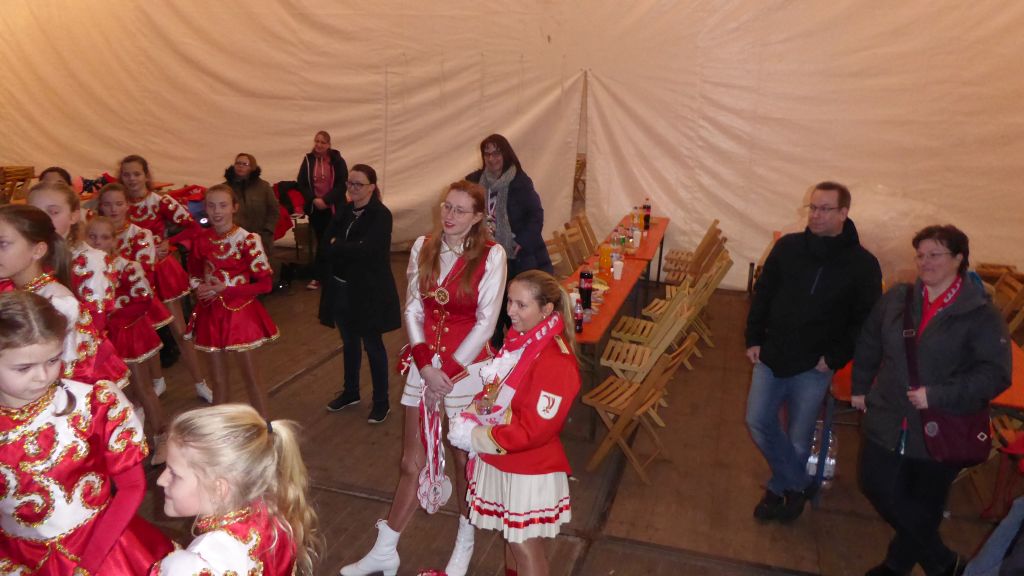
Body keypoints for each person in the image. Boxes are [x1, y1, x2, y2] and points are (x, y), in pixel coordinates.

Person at [340, 181, 506, 576]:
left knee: (464, 461)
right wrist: (425, 365)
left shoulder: (492, 255)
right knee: (410, 461)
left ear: (478, 217)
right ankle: (386, 550)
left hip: (466, 370)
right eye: (447, 206)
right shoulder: (423, 246)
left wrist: (446, 372)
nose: (449, 215)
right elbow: (413, 308)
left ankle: (464, 544)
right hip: (425, 363)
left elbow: (486, 323)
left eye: (460, 210)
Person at [852, 225, 1011, 576]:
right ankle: (943, 562)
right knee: (875, 484)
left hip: (944, 423)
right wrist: (860, 386)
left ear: (958, 259)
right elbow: (869, 339)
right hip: (888, 413)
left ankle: (896, 566)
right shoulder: (899, 298)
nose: (925, 262)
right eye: (921, 255)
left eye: (935, 254)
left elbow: (995, 374)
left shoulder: (980, 314)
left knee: (924, 502)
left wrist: (938, 394)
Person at [0, 291, 173, 574]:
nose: (42, 376)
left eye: (53, 360)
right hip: (17, 558)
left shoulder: (93, 404)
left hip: (101, 549)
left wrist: (88, 564)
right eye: (24, 368)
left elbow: (131, 486)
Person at [744, 181, 882, 522]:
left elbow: (865, 320)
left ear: (844, 213)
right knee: (757, 420)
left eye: (825, 209)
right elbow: (764, 293)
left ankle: (779, 490)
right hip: (772, 355)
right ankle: (798, 484)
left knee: (798, 436)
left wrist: (835, 357)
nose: (816, 215)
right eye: (813, 208)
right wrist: (754, 337)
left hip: (815, 365)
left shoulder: (862, 264)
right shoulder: (788, 247)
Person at [447, 270, 580, 576]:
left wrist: (475, 436)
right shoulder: (520, 344)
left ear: (546, 310)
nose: (510, 311)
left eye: (521, 305)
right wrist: (474, 414)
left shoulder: (555, 360)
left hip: (528, 468)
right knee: (512, 538)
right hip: (506, 459)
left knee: (524, 546)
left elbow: (534, 430)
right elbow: (496, 395)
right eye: (510, 301)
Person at [151, 404, 321, 575]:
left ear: (219, 489)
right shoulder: (270, 515)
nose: (160, 480)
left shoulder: (199, 563)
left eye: (174, 474)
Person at [98, 183, 208, 400]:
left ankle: (200, 382)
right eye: (107, 204)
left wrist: (169, 242)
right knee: (142, 337)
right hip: (124, 296)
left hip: (158, 275)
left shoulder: (149, 218)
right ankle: (156, 382)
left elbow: (191, 226)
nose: (113, 209)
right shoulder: (97, 235)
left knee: (179, 331)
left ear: (127, 204)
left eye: (118, 203)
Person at [0, 204, 129, 387]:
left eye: (2, 244)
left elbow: (71, 374)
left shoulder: (57, 303)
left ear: (38, 250)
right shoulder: (11, 289)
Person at [185, 184, 279, 417]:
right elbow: (193, 274)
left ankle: (264, 427)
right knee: (218, 380)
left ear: (234, 207)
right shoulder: (201, 240)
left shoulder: (247, 240)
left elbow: (265, 284)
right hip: (211, 314)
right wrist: (200, 287)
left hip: (240, 316)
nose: (217, 211)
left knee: (251, 377)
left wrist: (226, 290)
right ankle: (219, 430)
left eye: (223, 205)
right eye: (211, 206)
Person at [27, 181, 131, 390]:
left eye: (53, 212)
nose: (42, 219)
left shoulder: (92, 261)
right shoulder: (27, 258)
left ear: (74, 216)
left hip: (81, 365)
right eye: (35, 212)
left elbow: (95, 323)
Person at [320, 164, 401, 423]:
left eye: (359, 184)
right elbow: (326, 242)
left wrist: (339, 246)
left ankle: (381, 402)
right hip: (342, 288)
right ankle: (351, 391)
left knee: (373, 346)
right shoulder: (344, 211)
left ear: (371, 187)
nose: (353, 188)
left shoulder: (381, 215)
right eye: (350, 183)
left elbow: (368, 251)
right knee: (349, 342)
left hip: (368, 292)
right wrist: (344, 247)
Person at [85, 216, 169, 464]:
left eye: (104, 237)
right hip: (101, 337)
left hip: (128, 332)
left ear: (114, 241)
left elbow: (144, 300)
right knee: (119, 391)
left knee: (143, 387)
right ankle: (130, 438)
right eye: (92, 237)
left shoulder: (127, 267)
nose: (98, 242)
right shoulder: (83, 270)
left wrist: (112, 316)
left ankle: (162, 436)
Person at [465, 134, 552, 348]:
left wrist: (520, 241)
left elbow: (536, 215)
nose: (492, 158)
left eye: (496, 153)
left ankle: (520, 353)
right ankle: (492, 356)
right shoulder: (474, 181)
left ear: (506, 154)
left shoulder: (520, 181)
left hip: (517, 258)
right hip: (486, 257)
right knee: (490, 312)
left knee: (518, 311)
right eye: (487, 154)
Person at [297, 130, 348, 290]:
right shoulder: (308, 160)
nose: (319, 145)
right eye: (317, 141)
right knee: (321, 241)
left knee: (331, 241)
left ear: (329, 145)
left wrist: (326, 200)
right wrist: (314, 199)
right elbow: (301, 183)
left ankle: (328, 275)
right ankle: (321, 276)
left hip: (333, 207)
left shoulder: (337, 160)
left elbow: (342, 184)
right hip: (316, 209)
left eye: (323, 142)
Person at [222, 152, 281, 274]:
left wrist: (268, 230)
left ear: (252, 167)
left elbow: (274, 211)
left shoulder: (264, 187)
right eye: (238, 163)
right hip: (234, 238)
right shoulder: (225, 189)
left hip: (261, 237)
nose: (240, 166)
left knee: (261, 270)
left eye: (245, 164)